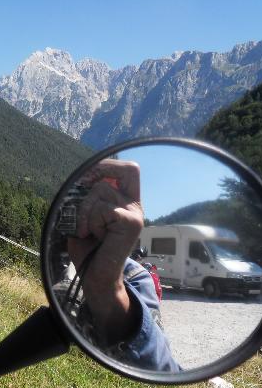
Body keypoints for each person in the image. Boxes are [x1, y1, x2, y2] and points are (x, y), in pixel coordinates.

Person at [61, 158, 179, 372]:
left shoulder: (136, 276)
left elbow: (163, 370)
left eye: (110, 199)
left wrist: (107, 288)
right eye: (83, 194)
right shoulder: (59, 265)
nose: (98, 212)